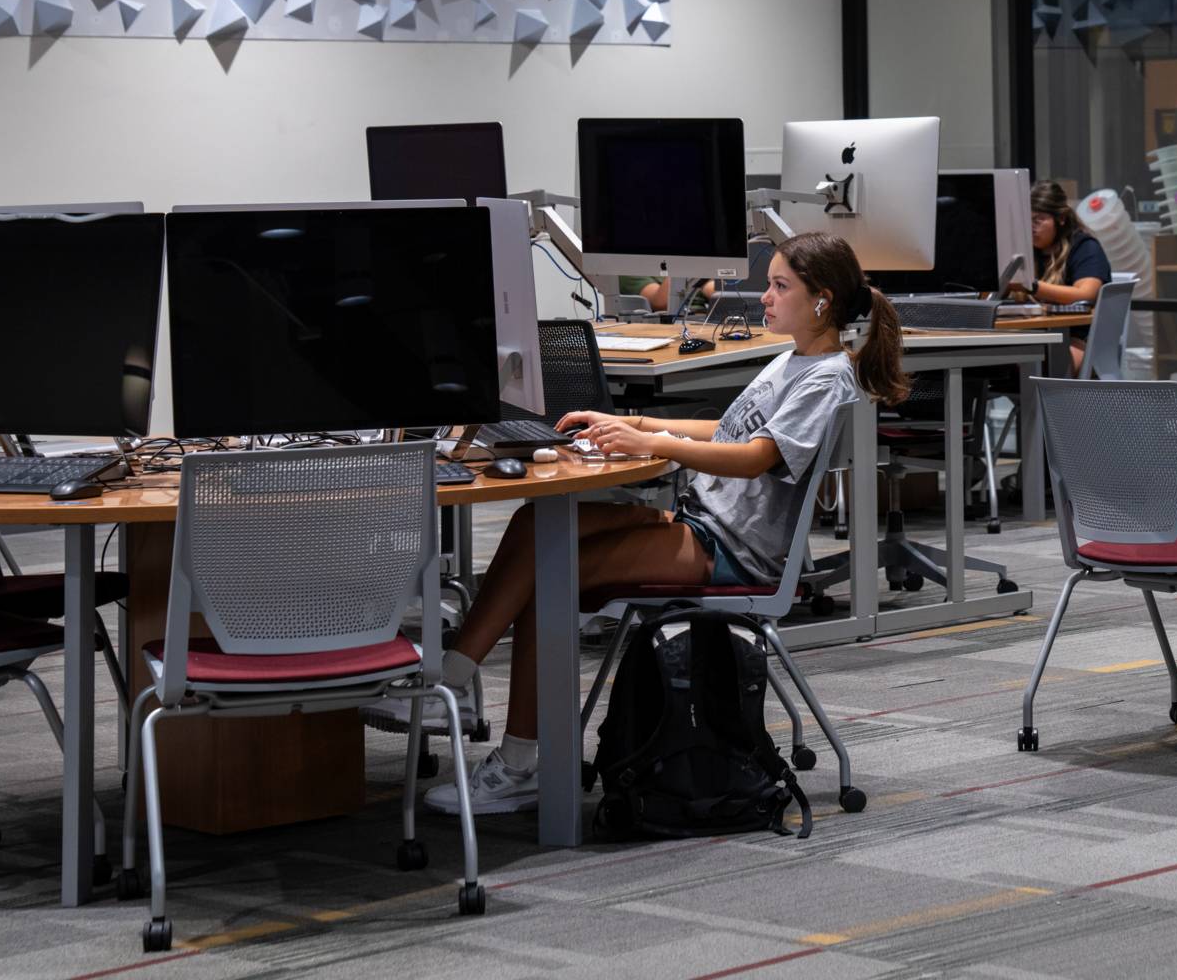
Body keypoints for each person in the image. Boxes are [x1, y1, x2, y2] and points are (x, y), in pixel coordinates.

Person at [365, 231, 909, 815]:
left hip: (731, 550)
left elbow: (756, 456)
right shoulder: (793, 358)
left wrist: (655, 443)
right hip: (701, 523)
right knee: (532, 526)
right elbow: (728, 432)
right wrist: (631, 420)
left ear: (822, 300)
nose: (765, 299)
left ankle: (511, 754)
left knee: (550, 573)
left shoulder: (826, 376)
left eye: (780, 287)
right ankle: (452, 678)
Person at [1011, 180, 1109, 372]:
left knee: (1033, 364)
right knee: (970, 362)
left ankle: (1037, 402)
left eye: (1038, 220)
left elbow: (1086, 293)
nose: (1030, 227)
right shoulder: (1022, 252)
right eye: (1025, 220)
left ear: (1061, 218)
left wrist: (1031, 286)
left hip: (1074, 339)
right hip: (1028, 335)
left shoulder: (1084, 247)